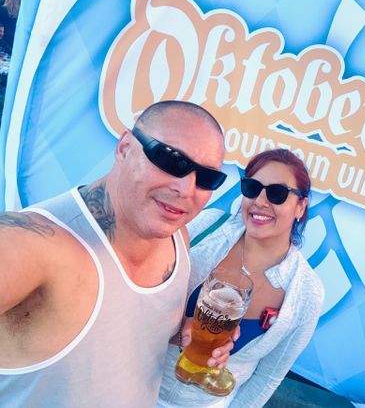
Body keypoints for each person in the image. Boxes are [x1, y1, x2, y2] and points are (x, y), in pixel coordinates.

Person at [0, 100, 234, 407]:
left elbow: (132, 327)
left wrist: (186, 333)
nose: (186, 188)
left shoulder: (178, 238)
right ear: (125, 147)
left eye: (206, 178)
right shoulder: (33, 243)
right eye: (172, 160)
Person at [158, 149, 325, 408]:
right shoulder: (207, 227)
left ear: (300, 207)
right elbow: (142, 299)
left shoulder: (306, 292)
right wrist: (178, 330)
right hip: (133, 385)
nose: (260, 201)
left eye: (277, 194)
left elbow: (267, 378)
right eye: (252, 188)